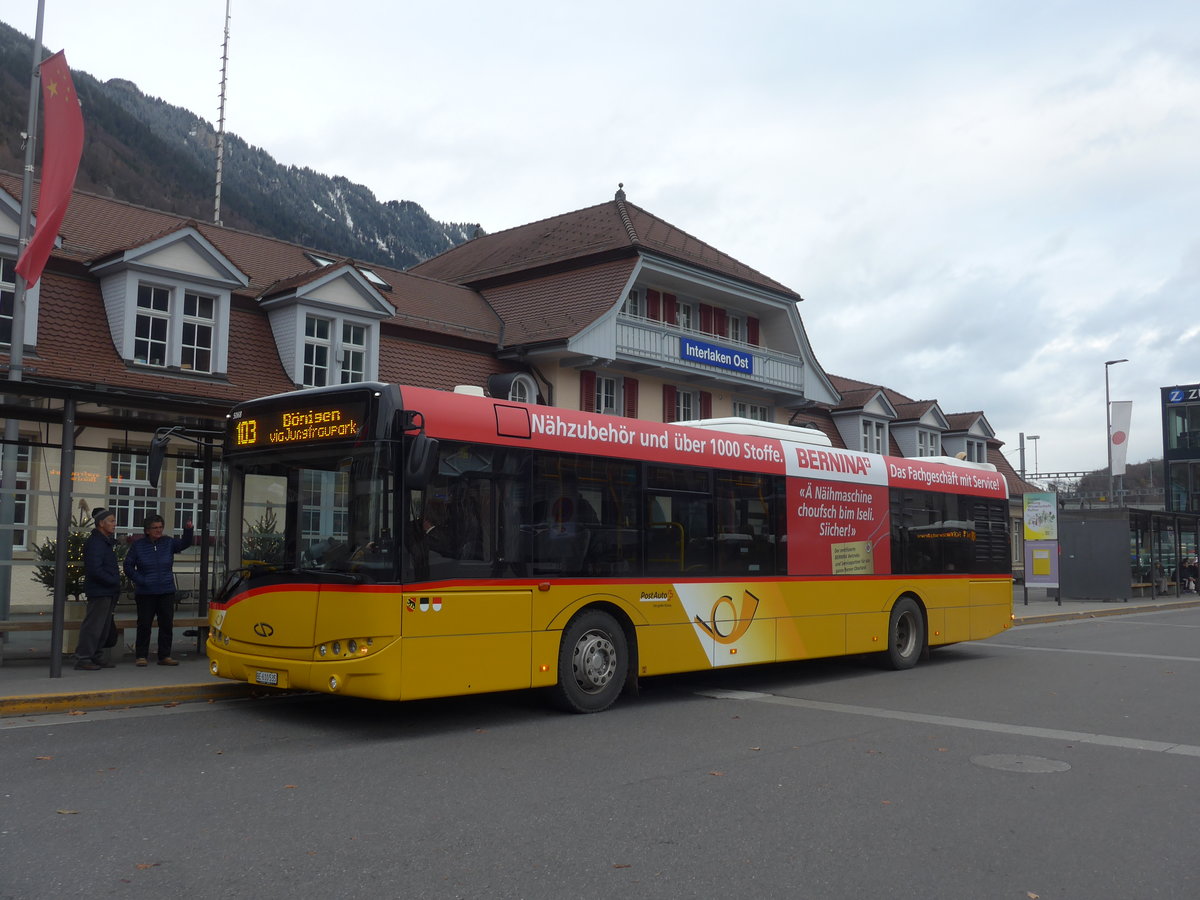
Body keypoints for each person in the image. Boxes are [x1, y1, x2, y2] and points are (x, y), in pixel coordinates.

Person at [123, 513, 194, 666]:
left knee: (166, 624)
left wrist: (188, 530)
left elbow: (185, 543)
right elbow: (128, 566)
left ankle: (165, 656)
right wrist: (141, 580)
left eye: (160, 527)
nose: (158, 530)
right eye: (155, 528)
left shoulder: (168, 542)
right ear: (147, 530)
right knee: (144, 625)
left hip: (166, 590)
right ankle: (141, 656)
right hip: (146, 592)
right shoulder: (138, 545)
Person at [75, 507, 121, 670]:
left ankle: (96, 655)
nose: (114, 524)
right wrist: (113, 581)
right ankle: (84, 657)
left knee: (103, 625)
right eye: (111, 521)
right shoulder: (96, 543)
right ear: (101, 524)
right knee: (94, 625)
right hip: (100, 590)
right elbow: (95, 569)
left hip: (107, 590)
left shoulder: (104, 542)